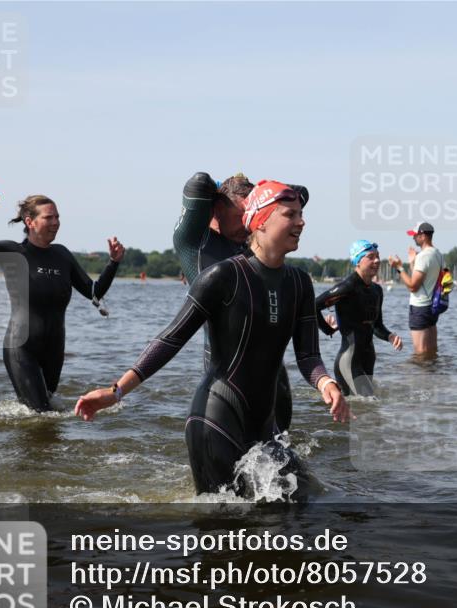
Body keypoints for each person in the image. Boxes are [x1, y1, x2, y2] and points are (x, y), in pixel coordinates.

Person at [74, 180, 350, 499]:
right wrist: (116, 391)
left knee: (307, 506)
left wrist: (326, 383)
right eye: (290, 214)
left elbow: (307, 356)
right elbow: (170, 339)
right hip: (215, 421)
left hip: (264, 428)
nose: (301, 222)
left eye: (301, 214)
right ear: (260, 220)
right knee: (221, 534)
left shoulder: (300, 282)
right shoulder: (223, 277)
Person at [0, 178, 124, 411]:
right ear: (30, 222)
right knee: (42, 415)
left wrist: (113, 263)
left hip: (54, 350)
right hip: (21, 348)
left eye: (57, 217)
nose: (56, 222)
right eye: (49, 217)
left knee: (49, 412)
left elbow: (94, 292)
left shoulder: (62, 255)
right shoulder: (14, 253)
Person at [172, 171, 308, 432]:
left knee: (280, 446)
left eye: (252, 216)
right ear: (216, 208)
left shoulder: (252, 245)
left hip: (272, 371)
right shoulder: (194, 242)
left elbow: (301, 193)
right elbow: (198, 181)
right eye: (240, 215)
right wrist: (225, 188)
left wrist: (262, 196)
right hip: (228, 367)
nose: (247, 224)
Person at [315, 240, 402, 396]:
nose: (376, 261)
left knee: (363, 412)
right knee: (369, 404)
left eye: (378, 256)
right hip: (349, 359)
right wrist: (328, 329)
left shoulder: (377, 290)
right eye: (370, 257)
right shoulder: (347, 288)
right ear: (357, 261)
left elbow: (377, 325)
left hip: (368, 357)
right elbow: (313, 306)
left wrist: (389, 336)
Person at [387, 222, 445, 356]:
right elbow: (421, 279)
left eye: (415, 235)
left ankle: (421, 377)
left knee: (420, 353)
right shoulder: (438, 254)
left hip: (420, 307)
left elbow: (413, 286)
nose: (413, 238)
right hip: (433, 306)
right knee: (431, 351)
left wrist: (399, 268)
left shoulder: (424, 256)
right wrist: (412, 262)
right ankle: (433, 375)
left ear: (423, 236)